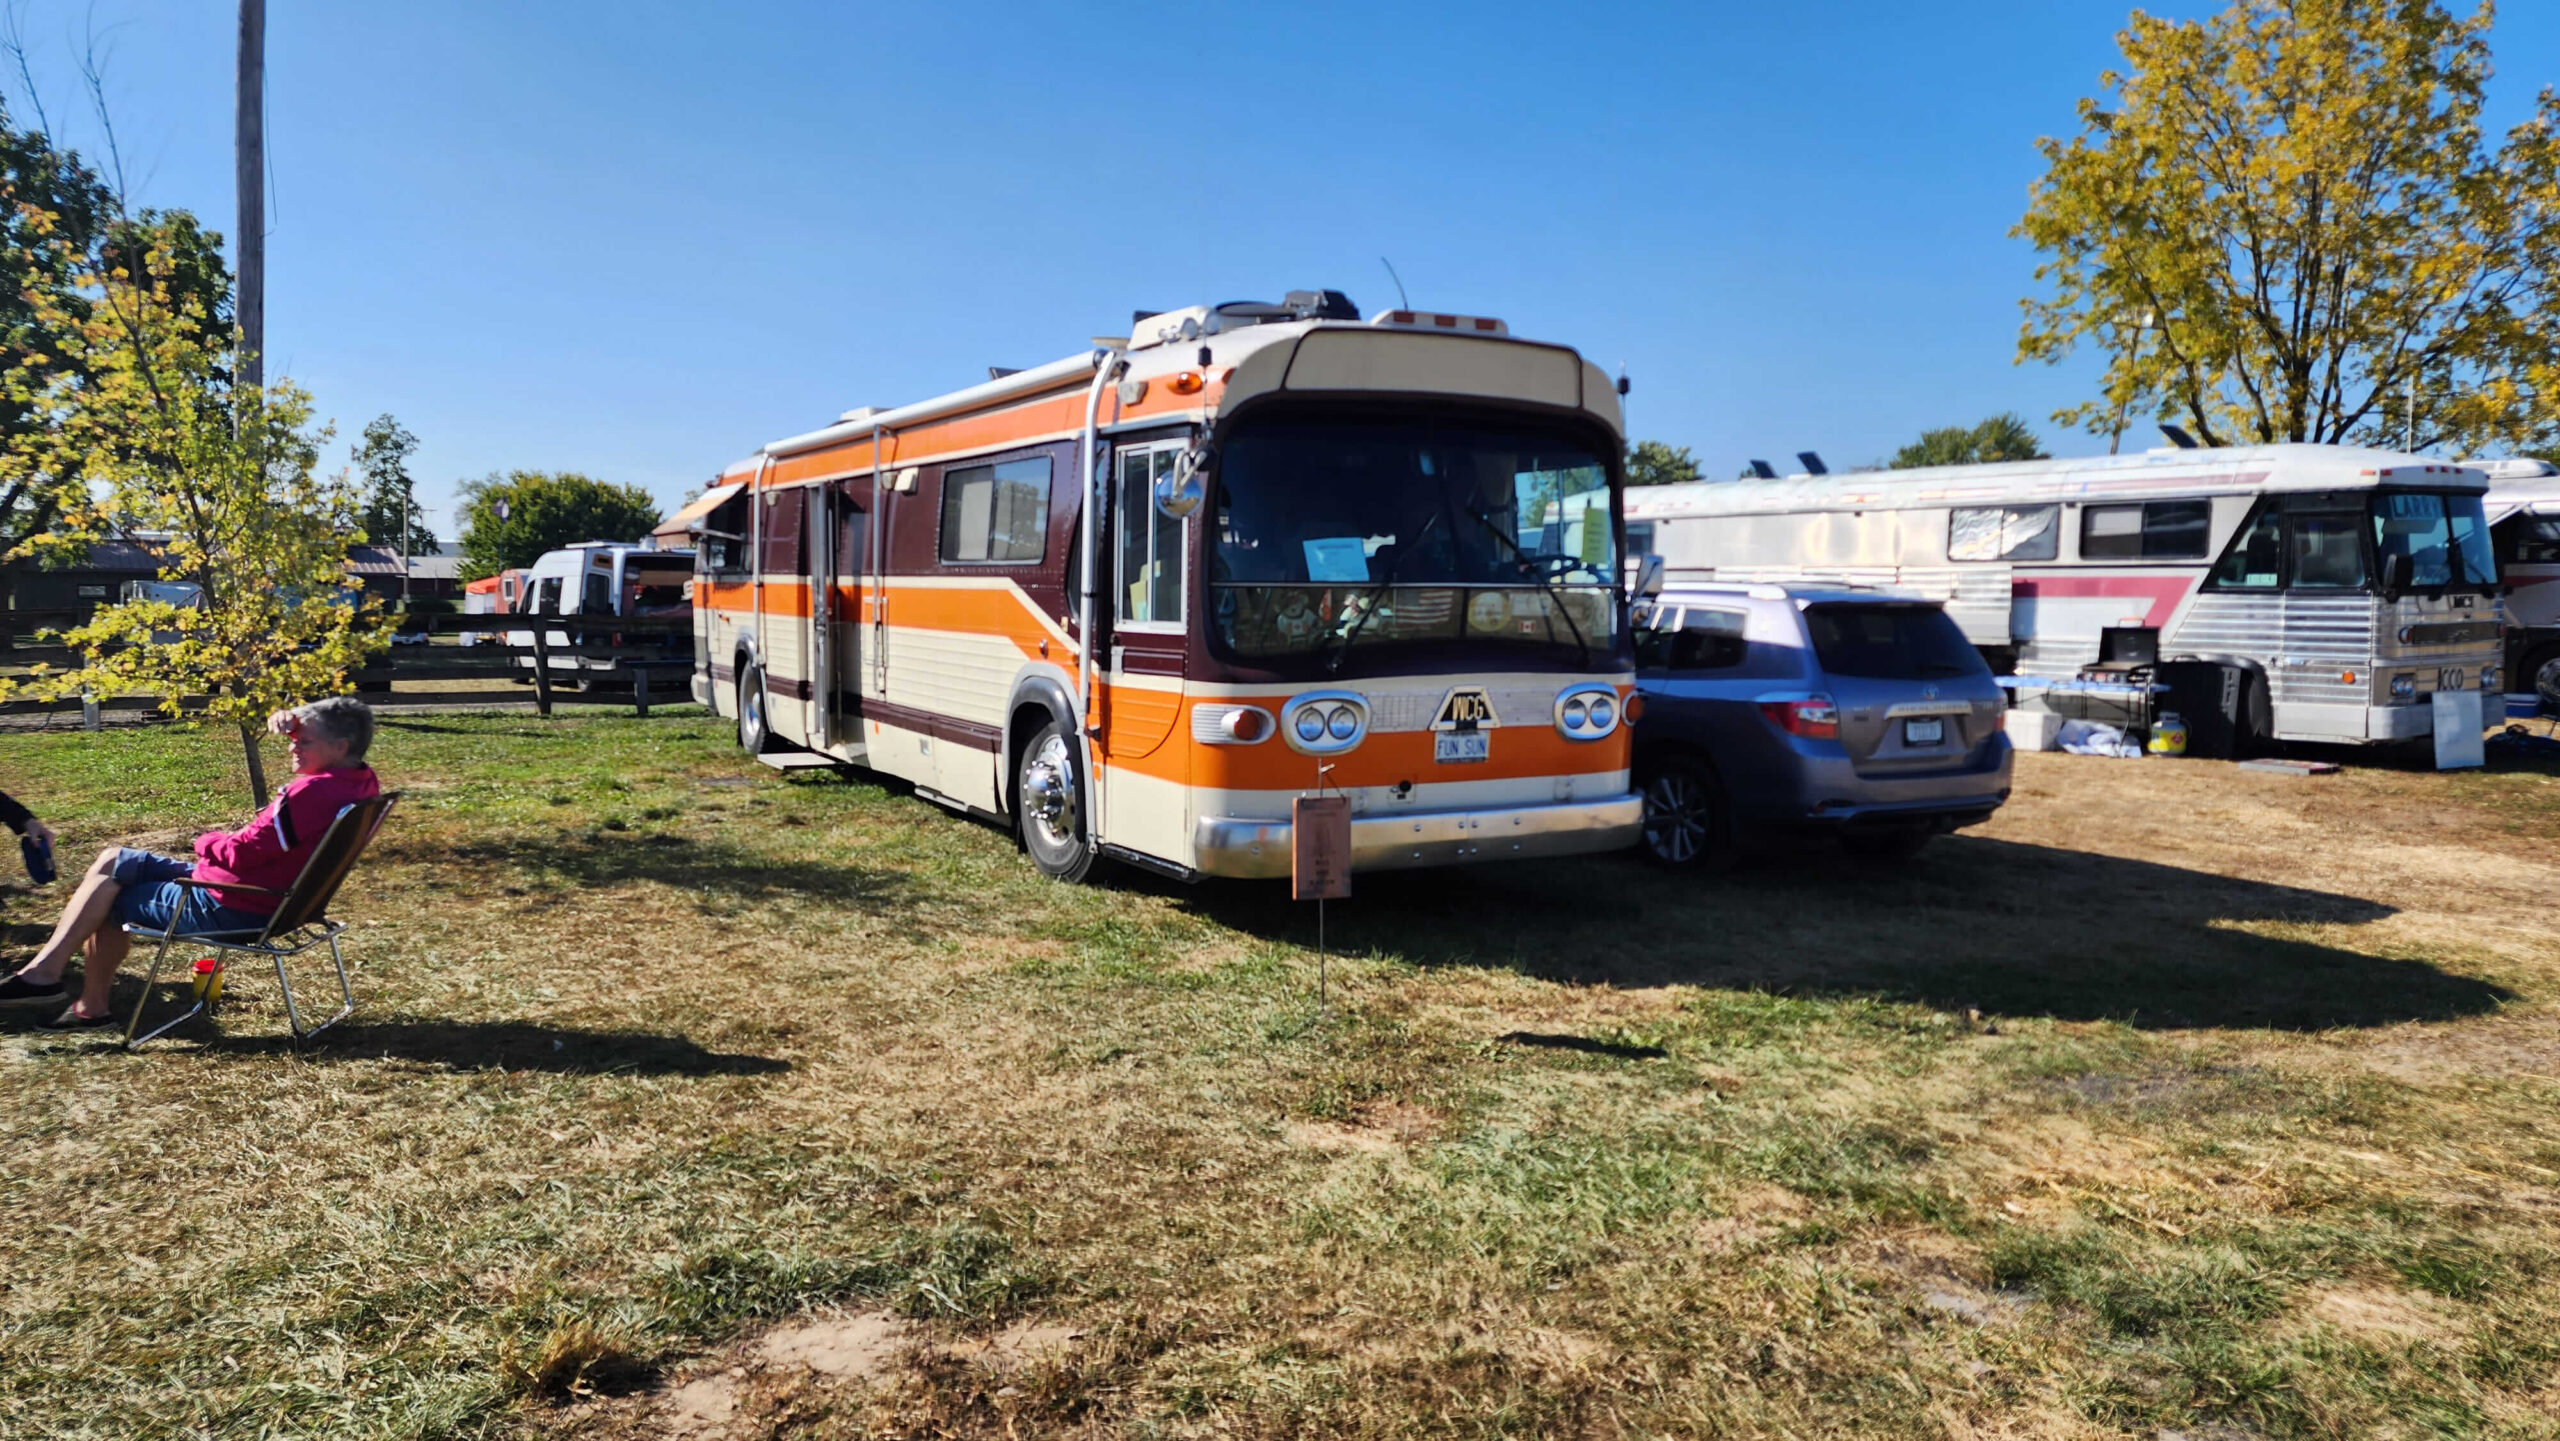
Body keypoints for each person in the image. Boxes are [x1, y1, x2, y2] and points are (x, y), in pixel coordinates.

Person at [0, 697, 381, 1030]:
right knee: (112, 859)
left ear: (339, 746)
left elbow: (240, 853)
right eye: (294, 737)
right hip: (269, 896)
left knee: (107, 900)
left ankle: (87, 1007)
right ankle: (43, 973)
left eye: (303, 741)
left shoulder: (310, 792)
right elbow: (336, 726)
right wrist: (295, 718)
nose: (292, 745)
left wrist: (206, 840)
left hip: (231, 905)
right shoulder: (360, 780)